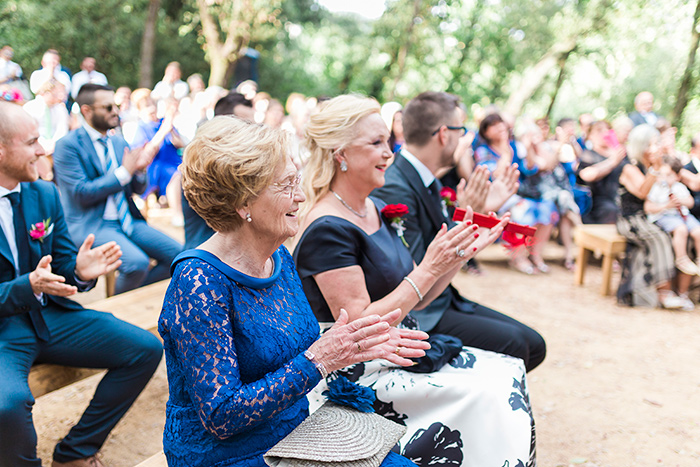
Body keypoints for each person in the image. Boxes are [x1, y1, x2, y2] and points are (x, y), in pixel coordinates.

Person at [160, 115, 427, 467]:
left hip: (296, 433)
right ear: (243, 203)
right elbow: (222, 415)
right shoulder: (199, 281)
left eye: (297, 180)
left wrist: (351, 345)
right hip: (227, 456)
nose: (301, 196)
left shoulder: (278, 257)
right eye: (286, 185)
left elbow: (294, 350)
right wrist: (321, 359)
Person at [294, 94, 537, 467]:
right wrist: (427, 268)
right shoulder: (326, 228)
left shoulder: (374, 209)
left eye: (388, 141)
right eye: (376, 143)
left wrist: (459, 254)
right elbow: (359, 325)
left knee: (509, 368)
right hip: (359, 370)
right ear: (340, 154)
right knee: (490, 390)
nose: (390, 154)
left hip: (402, 348)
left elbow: (418, 299)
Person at [0, 101, 162, 467]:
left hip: (51, 317)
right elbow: (30, 282)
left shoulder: (43, 192)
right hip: (3, 332)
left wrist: (78, 272)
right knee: (8, 405)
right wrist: (28, 286)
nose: (43, 150)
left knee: (145, 349)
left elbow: (59, 266)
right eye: (32, 142)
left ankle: (75, 452)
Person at [374, 92, 546, 372]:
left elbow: (441, 230)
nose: (463, 138)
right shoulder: (397, 186)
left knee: (534, 345)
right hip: (421, 310)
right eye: (460, 130)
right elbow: (416, 265)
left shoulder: (422, 176)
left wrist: (481, 210)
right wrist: (468, 219)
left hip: (444, 297)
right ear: (444, 134)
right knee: (519, 346)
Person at [53, 84, 182, 295]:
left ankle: (126, 297)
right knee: (137, 264)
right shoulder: (67, 145)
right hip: (93, 223)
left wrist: (139, 172)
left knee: (179, 256)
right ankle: (116, 313)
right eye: (107, 107)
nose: (115, 111)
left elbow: (137, 189)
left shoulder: (117, 141)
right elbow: (80, 194)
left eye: (116, 106)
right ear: (87, 110)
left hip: (128, 220)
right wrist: (124, 172)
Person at [475, 113, 559, 274]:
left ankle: (536, 255)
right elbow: (496, 175)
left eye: (501, 123)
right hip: (496, 197)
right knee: (522, 210)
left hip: (522, 193)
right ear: (486, 132)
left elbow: (532, 168)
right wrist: (506, 154)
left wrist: (529, 147)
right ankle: (518, 257)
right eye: (493, 125)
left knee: (548, 209)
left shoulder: (516, 146)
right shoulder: (483, 151)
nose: (499, 127)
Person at [616, 124, 688, 309]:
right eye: (652, 143)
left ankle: (678, 290)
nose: (656, 147)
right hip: (632, 219)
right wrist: (655, 169)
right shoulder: (630, 167)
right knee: (659, 238)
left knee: (677, 233)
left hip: (653, 215)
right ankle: (664, 292)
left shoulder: (655, 166)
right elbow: (642, 192)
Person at [129, 89, 185, 226]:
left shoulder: (164, 122)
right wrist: (163, 130)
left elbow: (181, 144)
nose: (151, 108)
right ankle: (177, 214)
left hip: (173, 161)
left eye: (152, 104)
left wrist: (170, 127)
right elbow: (148, 150)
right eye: (147, 106)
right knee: (175, 175)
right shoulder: (142, 127)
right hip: (156, 166)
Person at [645, 156, 700, 282]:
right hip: (665, 215)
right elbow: (648, 207)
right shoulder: (656, 189)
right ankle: (681, 258)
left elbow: (691, 202)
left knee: (698, 230)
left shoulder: (679, 187)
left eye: (668, 175)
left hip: (682, 215)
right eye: (661, 175)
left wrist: (681, 201)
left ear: (677, 176)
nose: (664, 178)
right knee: (681, 230)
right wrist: (666, 206)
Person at [577, 120, 627, 224]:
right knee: (610, 210)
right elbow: (587, 175)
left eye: (608, 129)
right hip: (599, 203)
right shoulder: (588, 155)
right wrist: (613, 162)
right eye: (599, 130)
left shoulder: (620, 153)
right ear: (590, 136)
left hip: (622, 199)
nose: (605, 133)